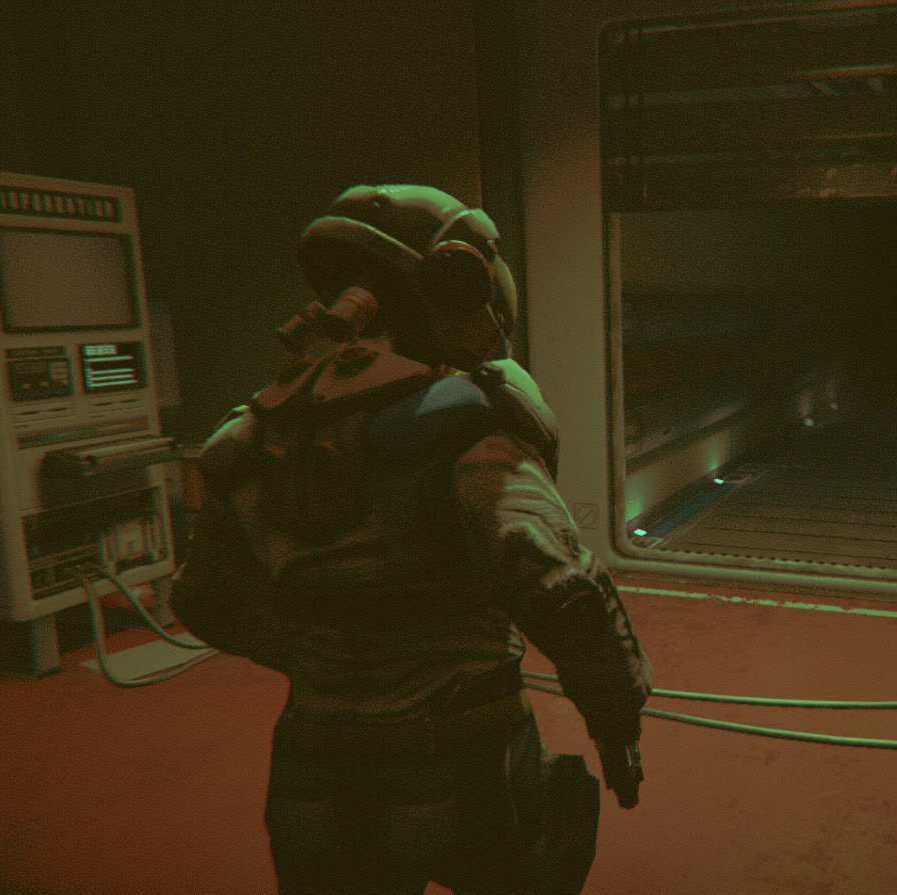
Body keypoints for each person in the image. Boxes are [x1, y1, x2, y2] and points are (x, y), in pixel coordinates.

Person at [169, 184, 651, 894]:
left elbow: (203, 599)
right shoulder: (469, 432)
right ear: (455, 284)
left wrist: (322, 656)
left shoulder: (258, 435)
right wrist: (616, 723)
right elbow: (566, 593)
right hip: (465, 757)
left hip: (311, 766)